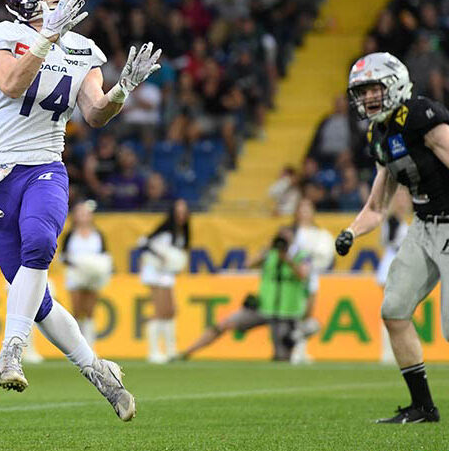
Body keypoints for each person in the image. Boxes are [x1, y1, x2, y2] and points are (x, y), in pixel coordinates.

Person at [0, 0, 161, 421]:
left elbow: (95, 113)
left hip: (46, 165)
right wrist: (46, 38)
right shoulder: (1, 34)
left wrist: (123, 90)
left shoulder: (83, 49)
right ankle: (97, 370)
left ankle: (11, 351)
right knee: (36, 300)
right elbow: (11, 83)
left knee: (40, 244)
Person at [335, 51, 449, 423]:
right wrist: (351, 232)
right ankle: (422, 407)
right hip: (424, 226)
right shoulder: (379, 134)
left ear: (395, 83)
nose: (367, 98)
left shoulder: (420, 116)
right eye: (362, 91)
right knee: (395, 309)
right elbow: (377, 205)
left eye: (373, 89)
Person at [179, 227, 311, 362]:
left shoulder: (300, 255)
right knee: (224, 324)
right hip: (263, 306)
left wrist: (287, 260)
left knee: (282, 357)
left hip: (286, 312)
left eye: (286, 238)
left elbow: (303, 275)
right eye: (280, 238)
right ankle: (187, 352)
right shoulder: (270, 254)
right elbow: (248, 264)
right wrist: (266, 251)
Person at [138, 200, 189, 363]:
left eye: (184, 212)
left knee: (170, 311)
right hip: (155, 272)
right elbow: (143, 243)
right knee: (160, 311)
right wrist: (160, 257)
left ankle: (170, 350)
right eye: (178, 212)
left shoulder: (182, 232)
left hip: (167, 273)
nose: (181, 216)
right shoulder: (165, 230)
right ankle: (153, 352)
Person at [286, 198, 334, 364]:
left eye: (308, 209)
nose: (305, 212)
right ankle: (292, 351)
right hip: (293, 278)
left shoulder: (319, 234)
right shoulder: (291, 232)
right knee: (294, 313)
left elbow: (325, 257)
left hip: (311, 277)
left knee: (307, 314)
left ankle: (302, 351)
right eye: (302, 209)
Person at [59, 200, 112, 348]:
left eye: (86, 213)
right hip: (75, 275)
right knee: (76, 310)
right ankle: (75, 346)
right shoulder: (70, 235)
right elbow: (63, 256)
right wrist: (77, 263)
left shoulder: (98, 235)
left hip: (93, 276)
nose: (83, 216)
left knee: (90, 311)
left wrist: (97, 267)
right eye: (80, 213)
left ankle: (90, 346)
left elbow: (104, 254)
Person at [376, 189, 411, 365]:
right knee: (391, 310)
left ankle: (399, 350)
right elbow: (389, 241)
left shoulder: (407, 220)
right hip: (391, 265)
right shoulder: (392, 221)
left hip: (402, 266)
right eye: (399, 197)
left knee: (401, 312)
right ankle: (387, 351)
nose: (402, 201)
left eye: (404, 197)